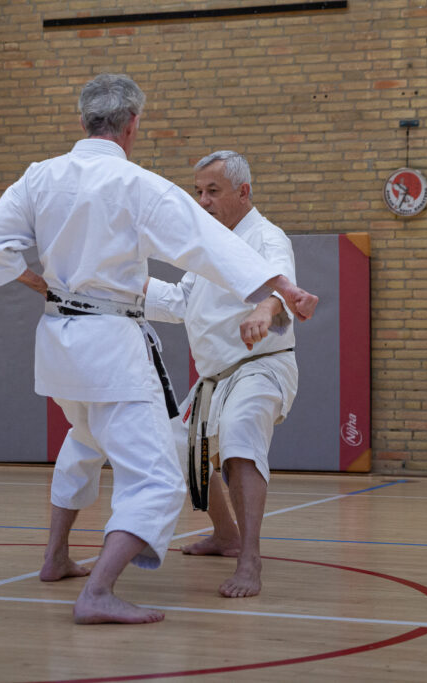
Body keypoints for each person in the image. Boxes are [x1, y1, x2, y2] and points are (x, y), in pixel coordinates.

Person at [0, 75, 318, 625]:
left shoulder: (39, 178)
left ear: (83, 121)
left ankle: (57, 558)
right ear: (133, 125)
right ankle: (100, 592)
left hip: (59, 345)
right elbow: (207, 247)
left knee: (83, 440)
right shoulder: (137, 184)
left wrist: (35, 281)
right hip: (111, 350)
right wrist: (282, 287)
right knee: (158, 476)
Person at [145, 151, 298, 598]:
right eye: (198, 191)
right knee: (173, 445)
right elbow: (178, 303)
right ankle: (226, 534)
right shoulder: (209, 246)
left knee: (237, 433)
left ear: (243, 192)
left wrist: (266, 309)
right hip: (214, 379)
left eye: (213, 191)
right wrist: (123, 284)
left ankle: (250, 559)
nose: (203, 200)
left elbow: (281, 284)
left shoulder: (267, 237)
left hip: (261, 367)